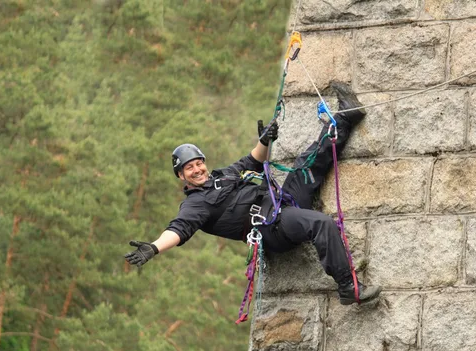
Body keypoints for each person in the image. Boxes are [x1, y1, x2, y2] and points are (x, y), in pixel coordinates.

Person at [124, 83, 381, 306]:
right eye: (189, 168)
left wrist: (265, 140)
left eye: (198, 163)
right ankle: (349, 288)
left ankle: (346, 117)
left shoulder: (222, 175)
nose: (196, 170)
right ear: (181, 176)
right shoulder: (195, 204)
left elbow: (252, 160)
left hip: (283, 202)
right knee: (321, 223)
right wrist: (154, 248)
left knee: (307, 162)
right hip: (273, 228)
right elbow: (178, 229)